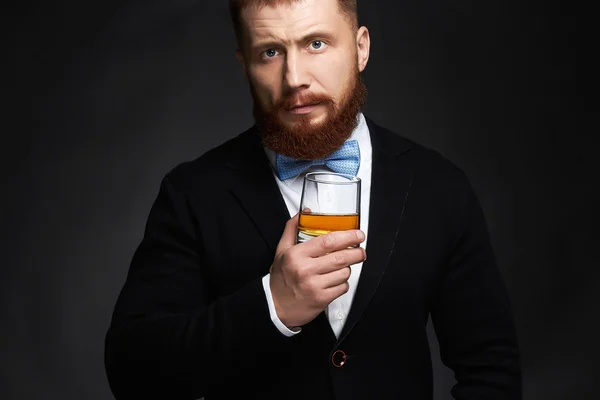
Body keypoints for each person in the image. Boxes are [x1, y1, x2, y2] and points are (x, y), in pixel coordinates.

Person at [104, 0, 522, 399]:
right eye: (270, 52)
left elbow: (491, 367)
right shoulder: (193, 192)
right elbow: (134, 373)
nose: (294, 79)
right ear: (244, 66)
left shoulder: (438, 185)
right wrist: (274, 305)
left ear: (361, 49)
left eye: (316, 44)